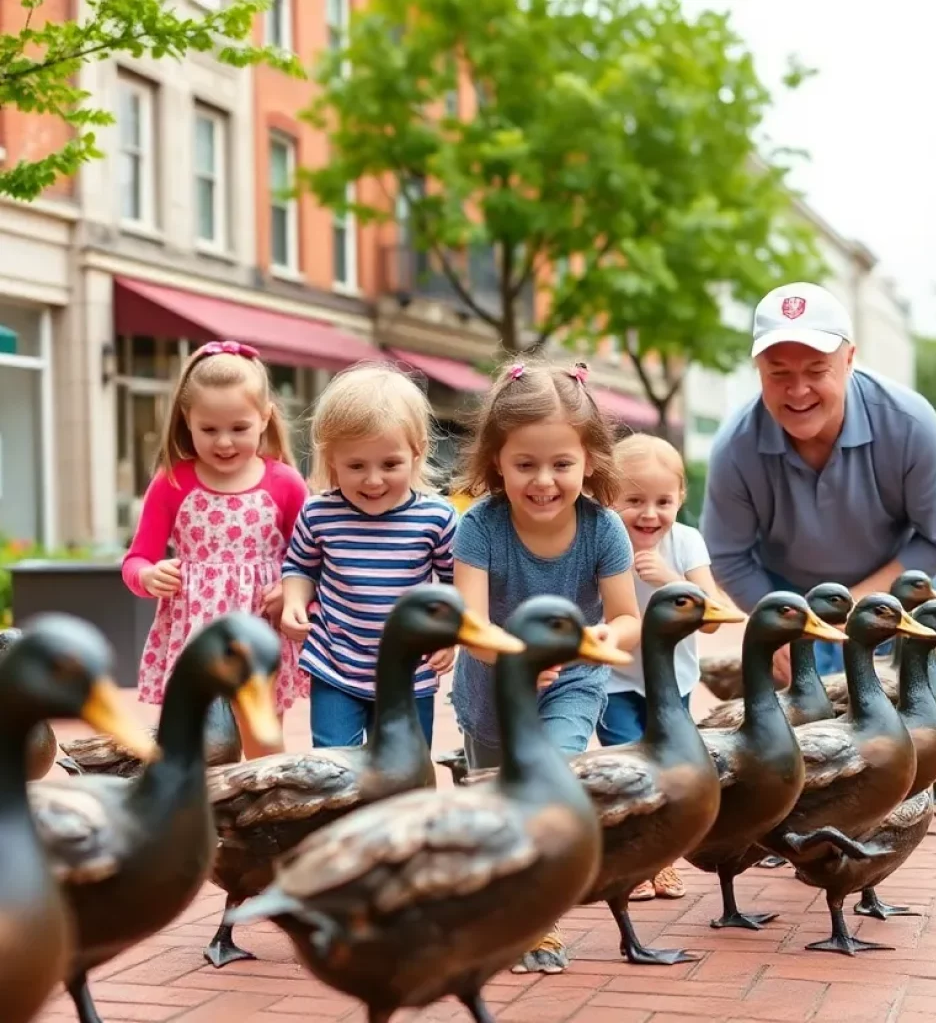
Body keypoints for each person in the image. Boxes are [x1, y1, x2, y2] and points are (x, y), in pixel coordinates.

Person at [451, 357, 642, 974]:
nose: (544, 481)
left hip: (574, 680)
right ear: (495, 464)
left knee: (554, 780)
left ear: (589, 461)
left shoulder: (603, 528)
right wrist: (514, 662)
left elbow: (626, 616)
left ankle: (541, 919)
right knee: (500, 802)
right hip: (490, 688)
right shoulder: (479, 527)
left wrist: (605, 637)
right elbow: (471, 626)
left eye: (561, 464)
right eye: (524, 464)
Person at [701, 281, 936, 680]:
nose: (797, 391)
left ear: (849, 360)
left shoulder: (911, 424)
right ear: (758, 370)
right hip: (788, 594)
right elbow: (728, 556)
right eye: (778, 374)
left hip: (892, 596)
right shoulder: (734, 446)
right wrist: (778, 623)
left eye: (816, 370)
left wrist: (856, 608)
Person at [122, 340, 309, 756]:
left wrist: (294, 592)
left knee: (262, 744)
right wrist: (149, 576)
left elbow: (311, 559)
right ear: (187, 420)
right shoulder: (173, 482)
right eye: (209, 429)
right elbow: (136, 560)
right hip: (193, 638)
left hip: (261, 632)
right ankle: (206, 819)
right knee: (199, 748)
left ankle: (264, 819)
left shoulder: (285, 483)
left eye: (239, 428)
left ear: (264, 418)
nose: (224, 442)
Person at [280, 363, 456, 749]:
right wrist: (294, 600)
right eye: (356, 466)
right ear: (330, 459)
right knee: (332, 762)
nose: (373, 480)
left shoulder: (437, 518)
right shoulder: (318, 513)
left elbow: (455, 586)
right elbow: (299, 566)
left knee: (405, 765)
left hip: (411, 671)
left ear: (417, 452)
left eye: (390, 464)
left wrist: (449, 636)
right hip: (335, 663)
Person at [603, 433, 730, 901]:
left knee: (669, 767)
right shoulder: (601, 538)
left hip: (671, 679)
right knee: (625, 768)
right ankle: (630, 862)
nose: (649, 514)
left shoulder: (687, 542)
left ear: (681, 499)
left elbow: (715, 618)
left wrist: (672, 581)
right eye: (633, 500)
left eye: (663, 501)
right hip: (613, 678)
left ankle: (662, 858)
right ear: (607, 497)